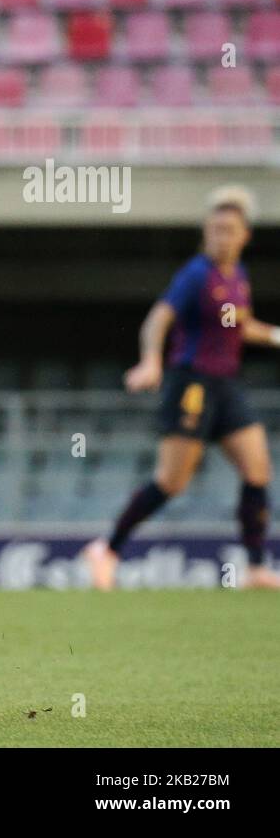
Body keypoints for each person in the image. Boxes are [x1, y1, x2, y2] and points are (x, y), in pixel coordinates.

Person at [86, 185, 280, 590]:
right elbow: (158, 319)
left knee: (257, 468)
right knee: (172, 481)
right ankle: (107, 549)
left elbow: (239, 325)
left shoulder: (237, 277)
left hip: (226, 384)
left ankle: (257, 568)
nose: (220, 237)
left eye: (229, 230)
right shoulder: (196, 274)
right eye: (214, 230)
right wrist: (152, 360)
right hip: (191, 382)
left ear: (244, 235)